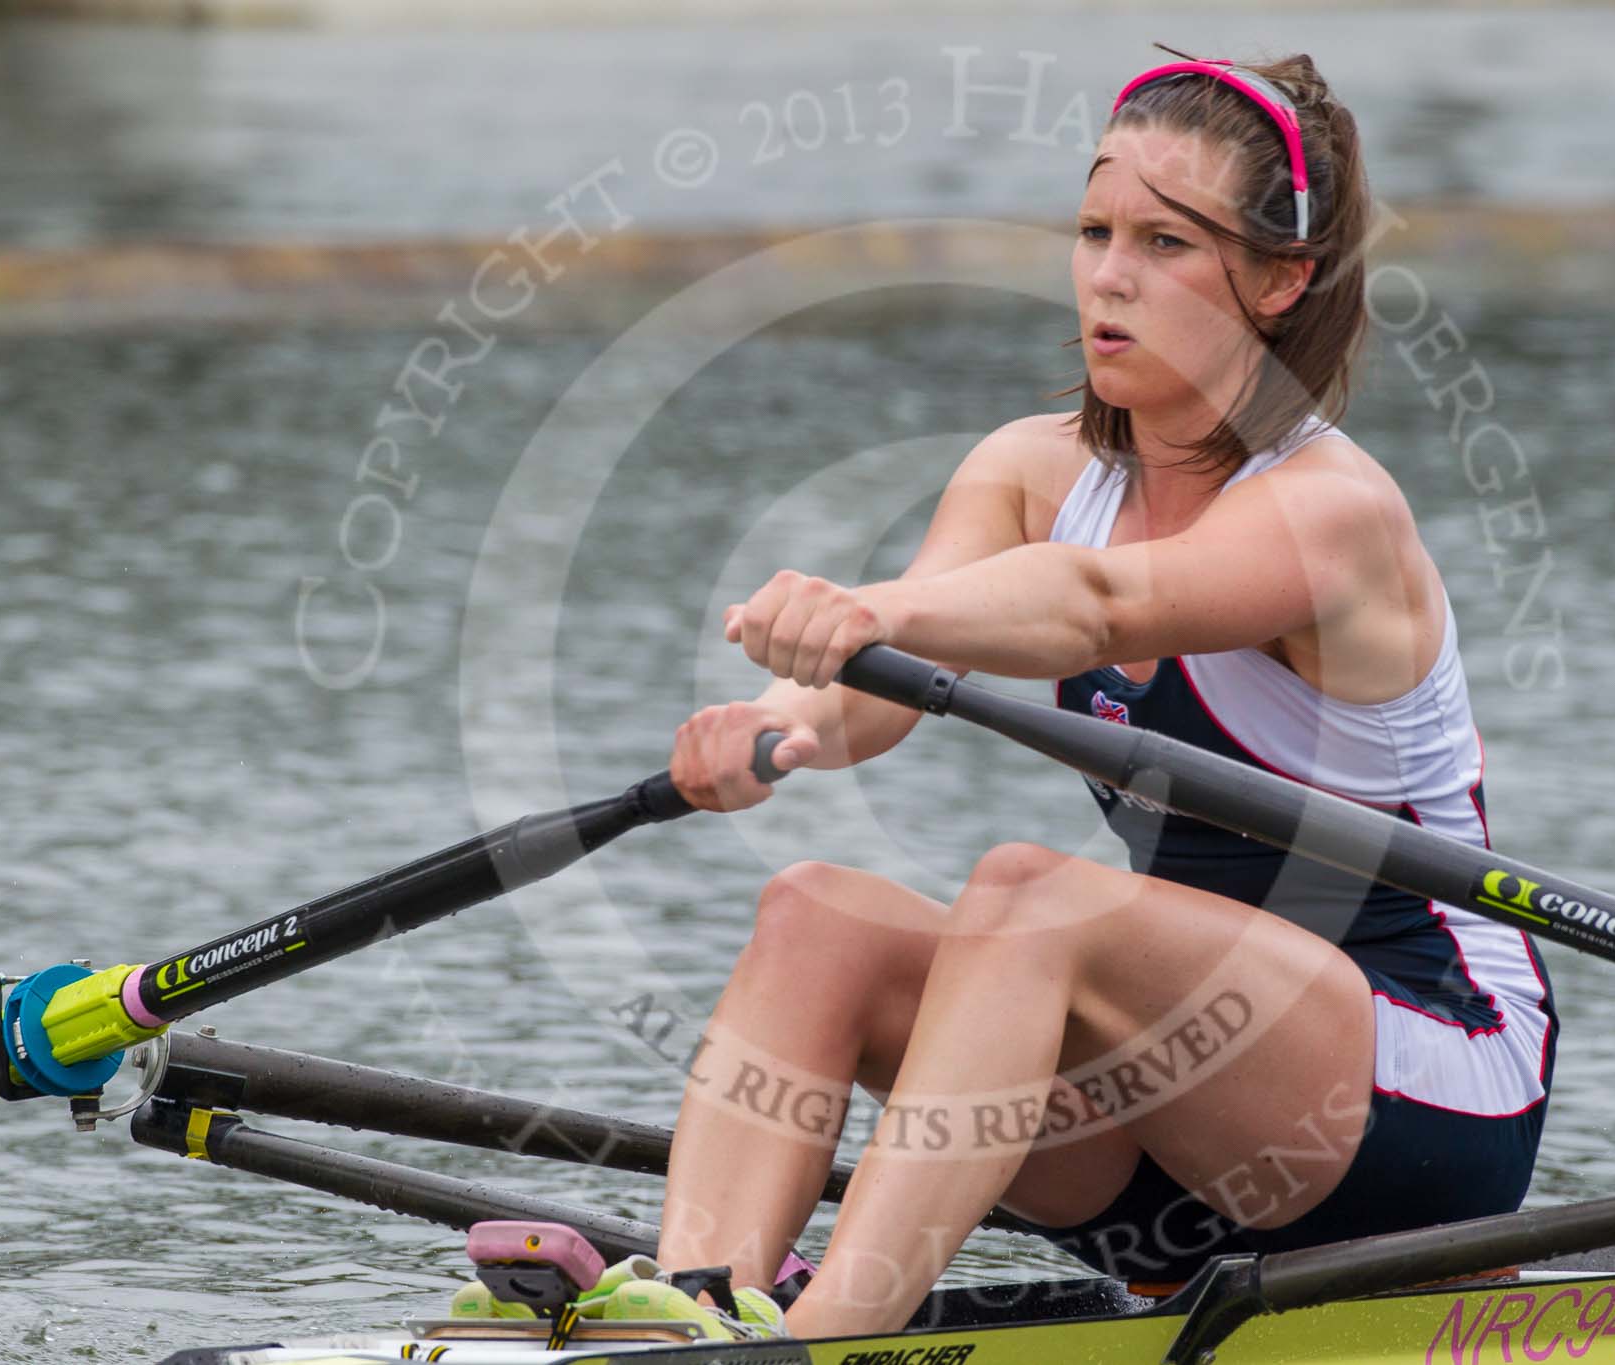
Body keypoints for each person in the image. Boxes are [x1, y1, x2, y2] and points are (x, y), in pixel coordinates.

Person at [646, 49, 1558, 1342]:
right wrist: (776, 731)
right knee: (813, 913)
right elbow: (882, 695)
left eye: (1167, 242)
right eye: (1093, 231)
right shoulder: (1029, 467)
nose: (1110, 276)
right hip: (1169, 1140)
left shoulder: (1331, 511)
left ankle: (827, 1334)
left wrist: (876, 612)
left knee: (1030, 892)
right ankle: (697, 1304)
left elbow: (1102, 603)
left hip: (1424, 1088)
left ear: (1280, 280)